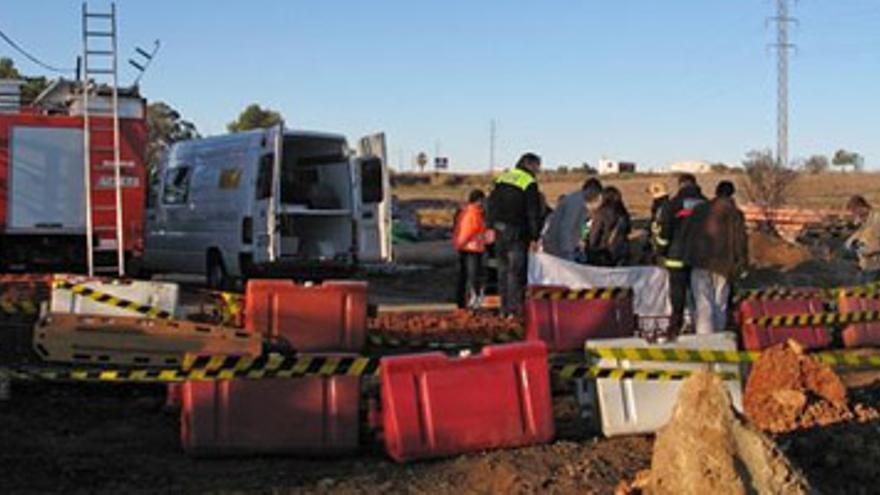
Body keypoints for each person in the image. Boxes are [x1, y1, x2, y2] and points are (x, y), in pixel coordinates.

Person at [682, 181, 748, 335]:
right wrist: (742, 263)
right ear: (732, 193)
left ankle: (705, 341)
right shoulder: (735, 214)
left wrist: (686, 255)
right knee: (720, 302)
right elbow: (740, 240)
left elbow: (687, 233)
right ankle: (720, 339)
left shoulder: (700, 209)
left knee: (703, 302)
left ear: (716, 192)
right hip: (724, 264)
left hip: (699, 261)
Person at [486, 152, 543, 316]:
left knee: (502, 271)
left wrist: (489, 226)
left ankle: (504, 310)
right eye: (537, 167)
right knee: (516, 273)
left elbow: (491, 203)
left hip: (498, 229)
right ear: (530, 165)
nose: (538, 171)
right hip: (517, 232)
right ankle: (515, 312)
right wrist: (534, 236)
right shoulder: (528, 182)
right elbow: (533, 212)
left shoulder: (503, 177)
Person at [657, 173, 707, 336]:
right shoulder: (707, 204)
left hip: (676, 257)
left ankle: (675, 327)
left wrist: (661, 251)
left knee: (678, 294)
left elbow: (664, 232)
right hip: (700, 258)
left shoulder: (672, 205)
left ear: (680, 185)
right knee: (701, 296)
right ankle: (703, 329)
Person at [541, 178, 603, 261]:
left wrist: (582, 239)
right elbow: (566, 230)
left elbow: (587, 224)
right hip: (558, 249)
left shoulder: (588, 206)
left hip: (573, 247)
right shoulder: (575, 202)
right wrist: (568, 256)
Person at [452, 189, 489, 309]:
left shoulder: (465, 212)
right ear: (479, 200)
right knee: (472, 276)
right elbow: (469, 231)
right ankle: (472, 300)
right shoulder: (474, 213)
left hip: (466, 248)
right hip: (472, 248)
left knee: (464, 276)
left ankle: (463, 302)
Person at [586, 186, 632, 266]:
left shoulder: (601, 213)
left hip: (604, 253)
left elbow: (595, 234)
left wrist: (590, 249)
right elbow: (628, 230)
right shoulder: (623, 213)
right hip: (621, 251)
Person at [845, 195, 880, 283]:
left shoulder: (877, 220)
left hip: (876, 266)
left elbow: (873, 244)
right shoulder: (861, 220)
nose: (853, 214)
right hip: (865, 265)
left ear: (861, 207)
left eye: (853, 210)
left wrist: (869, 249)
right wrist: (852, 243)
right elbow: (856, 236)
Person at [646, 182, 671, 262]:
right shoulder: (663, 207)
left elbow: (663, 229)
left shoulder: (662, 208)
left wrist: (660, 249)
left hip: (662, 249)